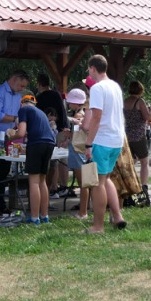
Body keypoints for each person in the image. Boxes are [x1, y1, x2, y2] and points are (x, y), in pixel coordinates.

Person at [81, 54, 128, 234]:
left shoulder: (97, 88)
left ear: (93, 68)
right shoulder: (115, 85)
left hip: (102, 140)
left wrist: (88, 143)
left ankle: (98, 226)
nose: (88, 73)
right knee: (106, 178)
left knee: (97, 183)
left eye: (88, 69)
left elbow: (97, 117)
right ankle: (117, 216)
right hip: (117, 139)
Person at [0, 70, 30, 210]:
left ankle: (0, 204)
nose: (22, 89)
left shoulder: (17, 96)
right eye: (21, 85)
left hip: (8, 135)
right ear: (14, 79)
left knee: (3, 170)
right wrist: (16, 119)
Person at [5, 94, 56, 225]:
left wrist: (10, 136)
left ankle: (34, 217)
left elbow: (21, 133)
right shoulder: (41, 113)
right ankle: (45, 216)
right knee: (42, 181)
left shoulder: (24, 110)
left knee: (33, 182)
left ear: (21, 103)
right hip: (49, 144)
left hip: (37, 144)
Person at [35, 73, 70, 195]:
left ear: (39, 84)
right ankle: (63, 186)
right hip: (63, 128)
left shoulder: (39, 98)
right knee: (61, 159)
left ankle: (53, 186)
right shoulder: (57, 94)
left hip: (49, 131)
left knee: (53, 159)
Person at [123, 80, 151, 203]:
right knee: (144, 162)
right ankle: (144, 186)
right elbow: (147, 117)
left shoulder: (125, 101)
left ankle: (130, 185)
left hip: (127, 135)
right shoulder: (139, 102)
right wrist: (150, 110)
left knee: (131, 162)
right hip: (139, 136)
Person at [64, 87, 91, 218]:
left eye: (70, 102)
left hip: (78, 149)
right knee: (89, 183)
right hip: (85, 148)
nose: (69, 104)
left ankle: (83, 212)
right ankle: (88, 208)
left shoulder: (79, 115)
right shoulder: (87, 112)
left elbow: (81, 131)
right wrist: (69, 134)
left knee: (83, 183)